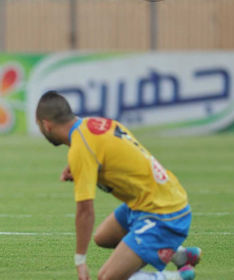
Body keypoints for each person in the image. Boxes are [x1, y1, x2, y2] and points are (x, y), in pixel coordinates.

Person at [35, 91, 202, 280]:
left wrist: (80, 261)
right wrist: (80, 167)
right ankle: (178, 254)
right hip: (159, 195)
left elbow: (85, 212)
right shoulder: (92, 124)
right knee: (103, 237)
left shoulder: (81, 150)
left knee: (107, 278)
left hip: (163, 213)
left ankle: (177, 277)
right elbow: (104, 151)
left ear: (46, 125)